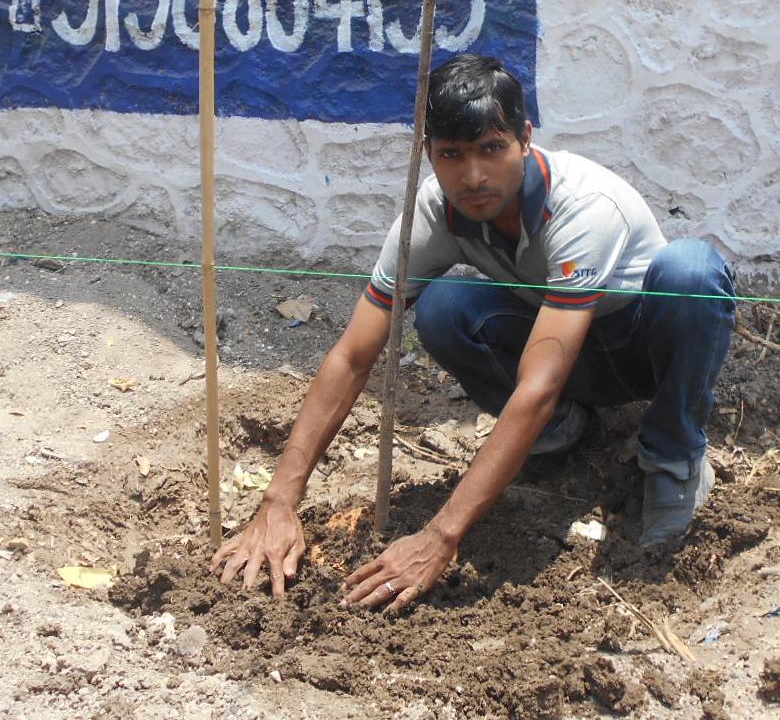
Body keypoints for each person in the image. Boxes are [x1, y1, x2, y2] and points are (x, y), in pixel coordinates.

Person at [211, 53, 735, 611]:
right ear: (428, 153)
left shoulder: (583, 208)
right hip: (561, 348)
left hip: (639, 347)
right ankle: (561, 433)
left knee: (692, 273)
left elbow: (538, 385)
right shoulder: (434, 214)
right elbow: (353, 355)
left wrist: (440, 537)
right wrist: (279, 499)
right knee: (441, 307)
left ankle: (674, 454)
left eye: (492, 148)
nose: (474, 175)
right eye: (452, 155)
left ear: (525, 138)